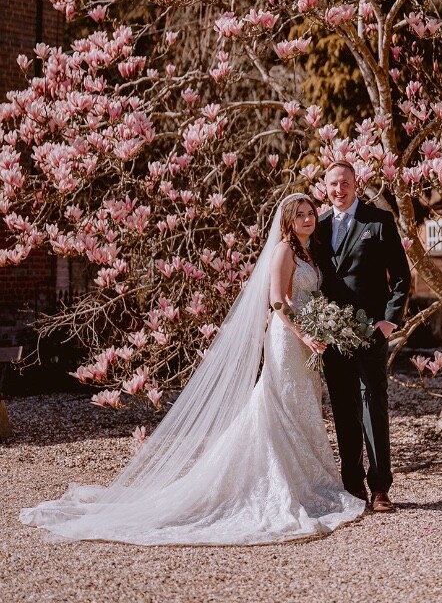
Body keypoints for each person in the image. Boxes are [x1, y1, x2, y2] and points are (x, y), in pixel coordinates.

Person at [20, 193, 365, 545]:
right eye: (301, 215)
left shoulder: (309, 252)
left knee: (301, 405)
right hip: (288, 339)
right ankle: (280, 484)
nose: (308, 219)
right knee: (282, 406)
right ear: (288, 220)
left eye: (311, 213)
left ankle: (307, 480)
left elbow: (307, 297)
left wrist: (321, 327)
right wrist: (304, 333)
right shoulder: (284, 251)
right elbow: (277, 300)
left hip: (308, 340)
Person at [315, 161, 411, 513]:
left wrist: (389, 321)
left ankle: (380, 486)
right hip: (333, 335)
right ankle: (352, 486)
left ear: (357, 184)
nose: (338, 190)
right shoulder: (318, 225)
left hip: (371, 331)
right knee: (342, 407)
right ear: (325, 187)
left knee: (373, 404)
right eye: (333, 184)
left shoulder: (379, 221)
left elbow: (401, 277)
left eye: (345, 183)